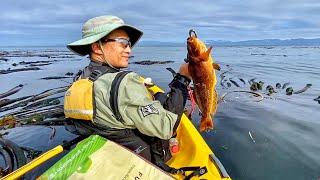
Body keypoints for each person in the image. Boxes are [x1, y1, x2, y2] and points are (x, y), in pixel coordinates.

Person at [66, 15, 191, 166]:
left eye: (129, 44)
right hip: (143, 162)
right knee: (163, 102)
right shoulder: (125, 83)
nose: (129, 50)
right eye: (123, 43)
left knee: (158, 98)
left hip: (113, 157)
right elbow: (166, 127)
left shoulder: (80, 80)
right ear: (97, 47)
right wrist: (182, 79)